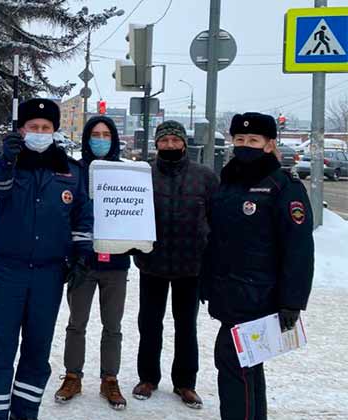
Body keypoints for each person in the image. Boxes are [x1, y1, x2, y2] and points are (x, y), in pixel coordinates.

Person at [0, 98, 93, 420]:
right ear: (22, 130)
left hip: (49, 274)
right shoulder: (6, 162)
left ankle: (26, 413)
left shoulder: (71, 170)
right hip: (7, 271)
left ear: (55, 131)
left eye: (46, 128)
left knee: (37, 349)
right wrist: (6, 158)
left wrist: (82, 253)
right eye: (33, 127)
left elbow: (83, 215)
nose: (40, 132)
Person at [201, 112, 314, 420]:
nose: (245, 145)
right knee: (247, 366)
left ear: (269, 144)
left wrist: (293, 300)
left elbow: (299, 247)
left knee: (233, 361)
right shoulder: (229, 182)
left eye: (253, 140)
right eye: (239, 140)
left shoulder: (282, 187)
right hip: (229, 291)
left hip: (259, 295)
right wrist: (207, 280)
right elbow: (217, 238)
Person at [130, 120, 218, 409]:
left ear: (183, 143)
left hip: (190, 265)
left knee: (186, 326)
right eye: (164, 140)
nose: (169, 145)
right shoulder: (142, 175)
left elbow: (216, 220)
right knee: (150, 324)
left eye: (174, 140)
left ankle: (185, 382)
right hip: (152, 262)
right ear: (156, 144)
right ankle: (148, 378)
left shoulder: (203, 177)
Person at [54, 116, 130, 411]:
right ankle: (73, 375)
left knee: (113, 325)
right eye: (95, 134)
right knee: (77, 323)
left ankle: (109, 378)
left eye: (106, 134)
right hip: (82, 261)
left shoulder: (125, 173)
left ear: (114, 139)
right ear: (86, 139)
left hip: (117, 262)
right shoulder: (74, 171)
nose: (100, 139)